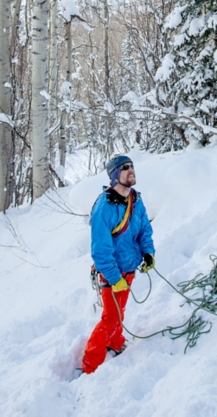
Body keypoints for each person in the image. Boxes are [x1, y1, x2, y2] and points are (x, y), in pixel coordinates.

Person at [81, 154, 155, 374]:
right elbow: (100, 251)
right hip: (111, 273)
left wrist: (148, 252)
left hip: (129, 268)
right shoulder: (104, 207)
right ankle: (90, 364)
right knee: (110, 318)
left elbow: (144, 230)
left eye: (132, 166)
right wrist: (114, 278)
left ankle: (115, 342)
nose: (131, 170)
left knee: (119, 312)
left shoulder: (136, 199)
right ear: (115, 175)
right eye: (125, 168)